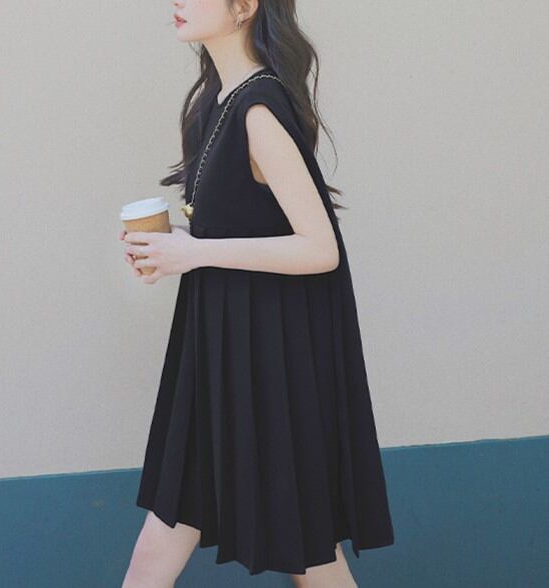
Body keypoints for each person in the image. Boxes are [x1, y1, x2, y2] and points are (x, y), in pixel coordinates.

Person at [120, 1, 394, 586]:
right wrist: (173, 249)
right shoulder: (214, 103)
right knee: (185, 540)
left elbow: (320, 248)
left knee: (307, 550)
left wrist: (194, 253)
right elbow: (240, 227)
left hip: (266, 363)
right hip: (220, 357)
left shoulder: (258, 110)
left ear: (245, 6)